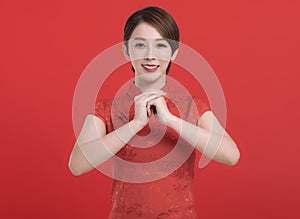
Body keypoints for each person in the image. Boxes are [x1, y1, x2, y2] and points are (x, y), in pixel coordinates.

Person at [69, 6, 240, 219]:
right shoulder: (106, 109)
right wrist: (134, 124)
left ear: (174, 52)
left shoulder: (191, 106)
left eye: (161, 46)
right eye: (140, 45)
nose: (150, 55)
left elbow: (231, 155)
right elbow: (77, 165)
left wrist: (171, 120)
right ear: (126, 51)